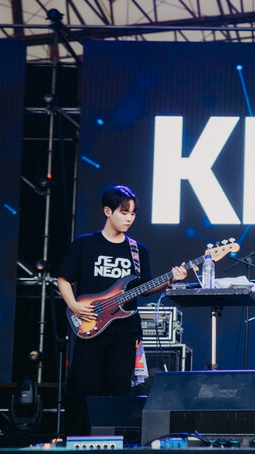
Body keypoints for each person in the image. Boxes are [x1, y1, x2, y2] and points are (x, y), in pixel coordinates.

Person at [56, 185, 187, 435]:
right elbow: (63, 278)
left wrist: (171, 279)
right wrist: (74, 305)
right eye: (124, 212)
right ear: (107, 211)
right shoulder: (85, 245)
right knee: (84, 387)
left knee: (118, 389)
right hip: (90, 325)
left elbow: (143, 288)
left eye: (133, 213)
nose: (129, 218)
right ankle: (75, 443)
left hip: (125, 330)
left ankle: (114, 447)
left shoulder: (138, 250)